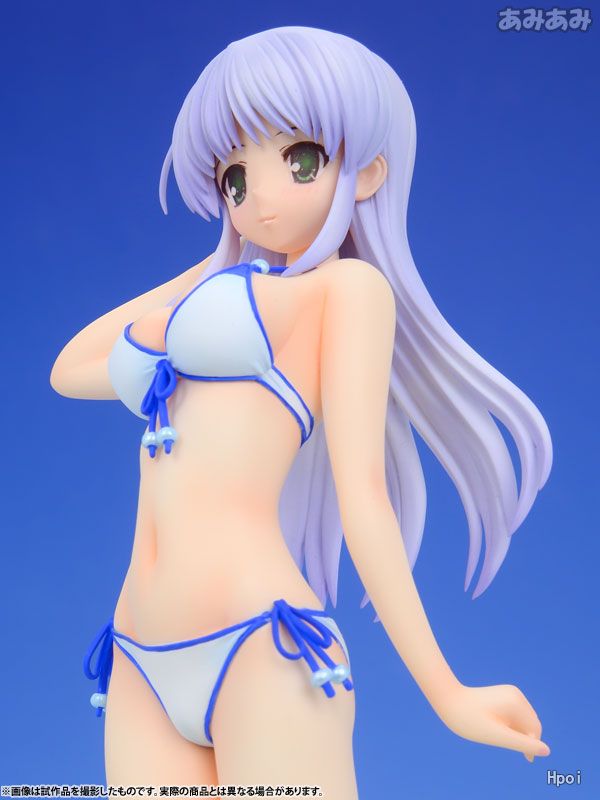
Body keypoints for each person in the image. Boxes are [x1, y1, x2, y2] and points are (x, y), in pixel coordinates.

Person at [50, 25, 552, 796]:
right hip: (137, 656)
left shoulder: (346, 291)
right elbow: (71, 369)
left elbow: (363, 496)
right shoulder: (223, 288)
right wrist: (224, 254)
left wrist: (446, 691)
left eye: (300, 160)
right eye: (234, 177)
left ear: (367, 171)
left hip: (262, 642)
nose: (259, 196)